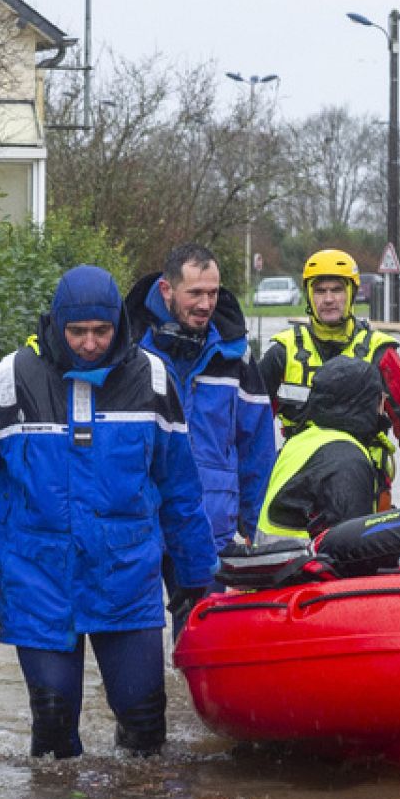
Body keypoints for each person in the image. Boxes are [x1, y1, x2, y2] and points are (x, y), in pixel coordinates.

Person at [0, 265, 216, 759]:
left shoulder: (152, 378)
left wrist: (195, 583)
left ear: (119, 327)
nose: (90, 344)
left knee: (146, 729)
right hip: (39, 579)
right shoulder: (10, 380)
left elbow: (180, 493)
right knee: (53, 729)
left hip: (127, 580)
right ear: (56, 325)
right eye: (78, 332)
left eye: (101, 331)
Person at [126, 245, 277, 618]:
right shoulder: (126, 354)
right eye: (195, 293)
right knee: (135, 660)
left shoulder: (236, 357)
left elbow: (256, 449)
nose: (206, 304)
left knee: (197, 654)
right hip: (136, 530)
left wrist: (261, 532)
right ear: (166, 290)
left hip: (209, 530)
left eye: (213, 293)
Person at [258, 249, 400, 506]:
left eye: (336, 290)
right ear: (308, 295)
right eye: (320, 291)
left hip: (364, 482)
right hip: (299, 480)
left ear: (351, 293)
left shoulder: (380, 353)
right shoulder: (283, 352)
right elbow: (252, 425)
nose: (328, 299)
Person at [256, 356, 385, 540]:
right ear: (365, 402)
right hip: (305, 564)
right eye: (379, 399)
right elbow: (353, 545)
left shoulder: (302, 439)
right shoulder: (349, 461)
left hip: (271, 559)